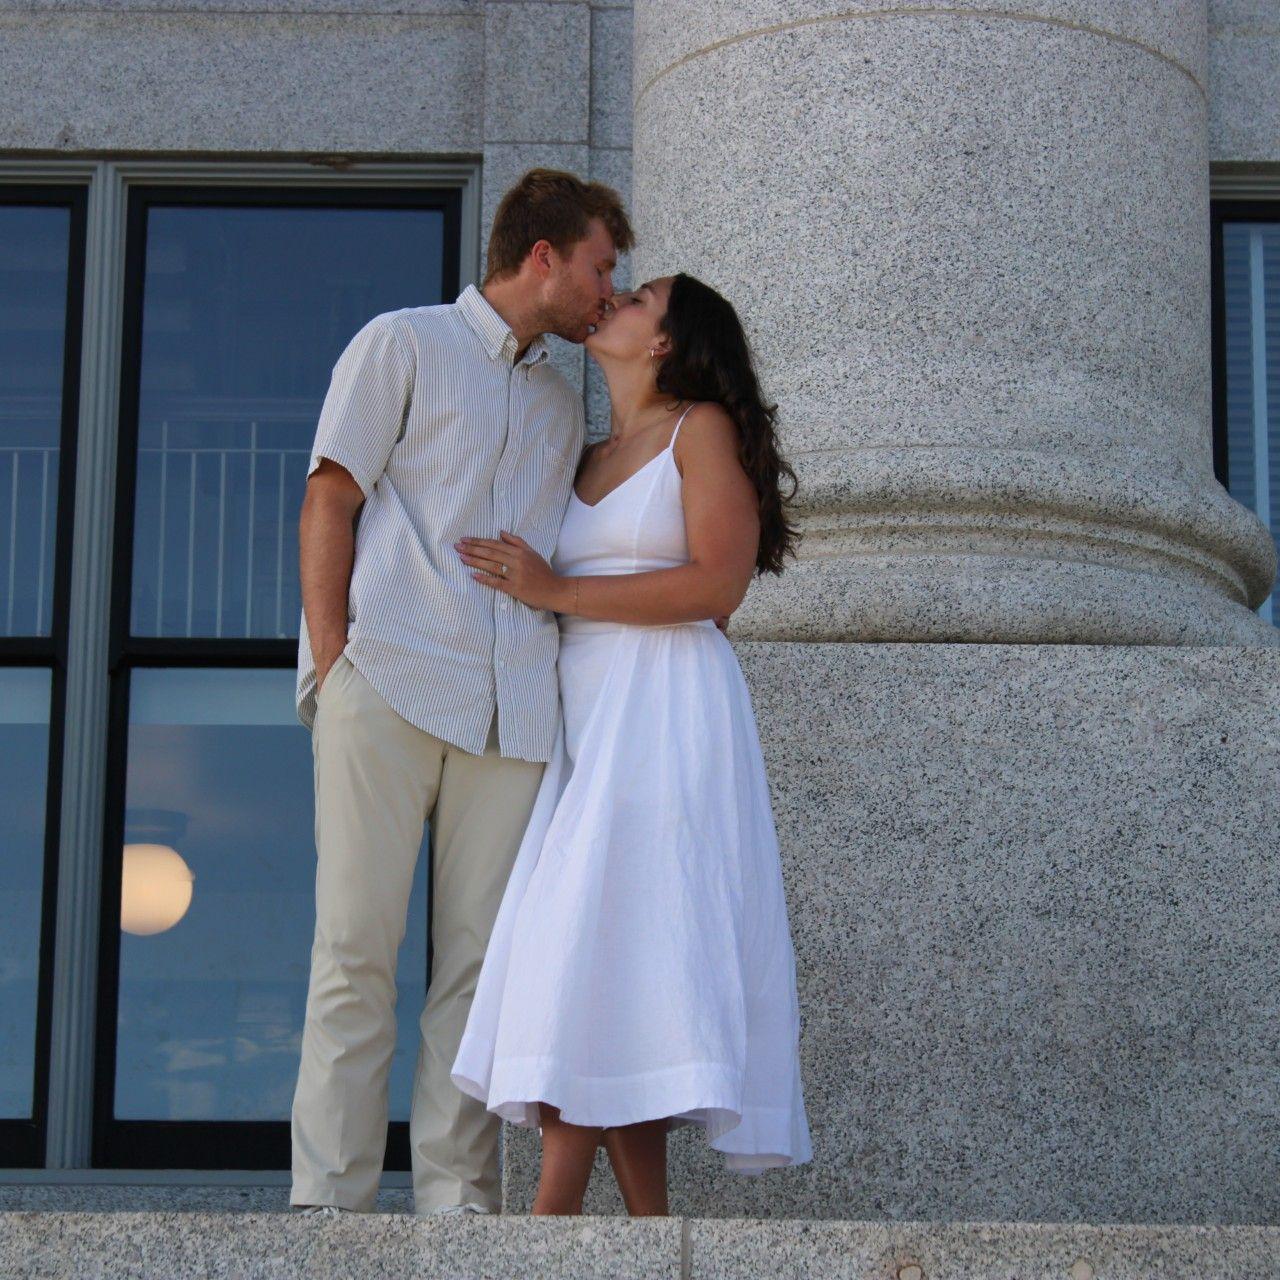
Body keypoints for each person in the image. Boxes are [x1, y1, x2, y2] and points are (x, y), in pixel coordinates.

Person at [289, 169, 640, 1216]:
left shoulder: (557, 398)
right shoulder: (400, 344)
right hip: (389, 680)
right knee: (355, 947)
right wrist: (335, 661)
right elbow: (328, 496)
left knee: (480, 973)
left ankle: (457, 1206)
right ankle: (329, 1206)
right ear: (543, 258)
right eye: (597, 267)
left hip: (512, 712)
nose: (604, 292)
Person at [449, 272, 813, 1215]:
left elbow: (716, 587)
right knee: (612, 947)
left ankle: (553, 1214)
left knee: (600, 936)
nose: (614, 300)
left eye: (640, 297)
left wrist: (555, 591)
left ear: (664, 342)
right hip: (586, 708)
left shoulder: (700, 430)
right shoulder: (586, 448)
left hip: (664, 706)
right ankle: (648, 1232)